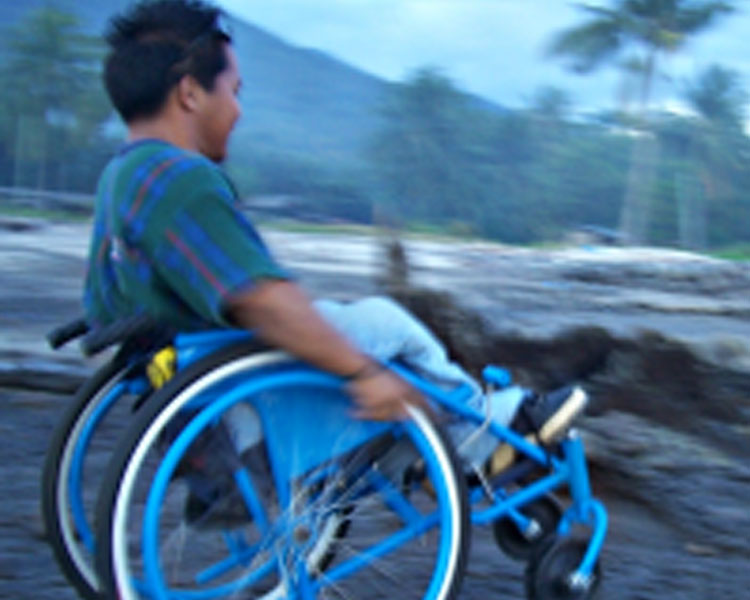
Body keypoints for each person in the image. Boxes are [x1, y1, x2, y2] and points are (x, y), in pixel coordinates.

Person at [84, 0, 586, 476]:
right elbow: (259, 298)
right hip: (238, 394)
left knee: (353, 331)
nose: (238, 111)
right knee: (390, 328)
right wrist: (364, 372)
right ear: (190, 93)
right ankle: (487, 429)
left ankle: (433, 442)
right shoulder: (179, 180)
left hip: (182, 383)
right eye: (234, 92)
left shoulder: (122, 176)